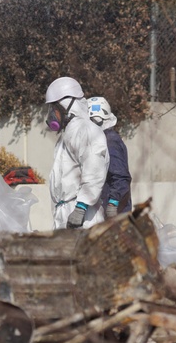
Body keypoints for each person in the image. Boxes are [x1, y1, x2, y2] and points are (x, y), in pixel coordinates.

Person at [46, 77, 109, 229]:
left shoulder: (86, 130)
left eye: (54, 109)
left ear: (66, 105)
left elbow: (94, 167)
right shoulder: (68, 133)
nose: (51, 115)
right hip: (66, 211)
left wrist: (81, 207)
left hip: (82, 215)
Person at [86, 96, 132, 216]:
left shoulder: (110, 141)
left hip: (113, 211)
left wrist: (113, 203)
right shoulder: (102, 139)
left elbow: (120, 177)